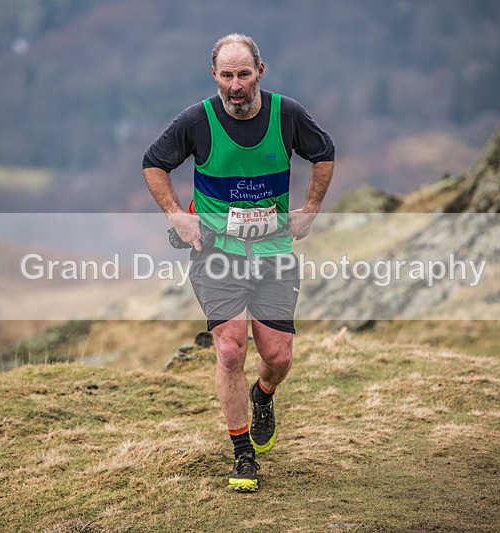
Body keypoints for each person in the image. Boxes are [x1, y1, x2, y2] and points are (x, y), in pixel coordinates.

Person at [142, 33, 334, 492]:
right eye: (226, 76)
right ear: (215, 76)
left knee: (277, 356)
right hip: (217, 252)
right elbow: (153, 163)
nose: (235, 85)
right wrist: (177, 217)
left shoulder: (287, 114)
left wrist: (309, 210)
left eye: (243, 74)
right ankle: (243, 454)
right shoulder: (197, 120)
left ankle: (263, 394)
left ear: (259, 73)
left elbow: (324, 153)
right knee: (230, 348)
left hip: (272, 254)